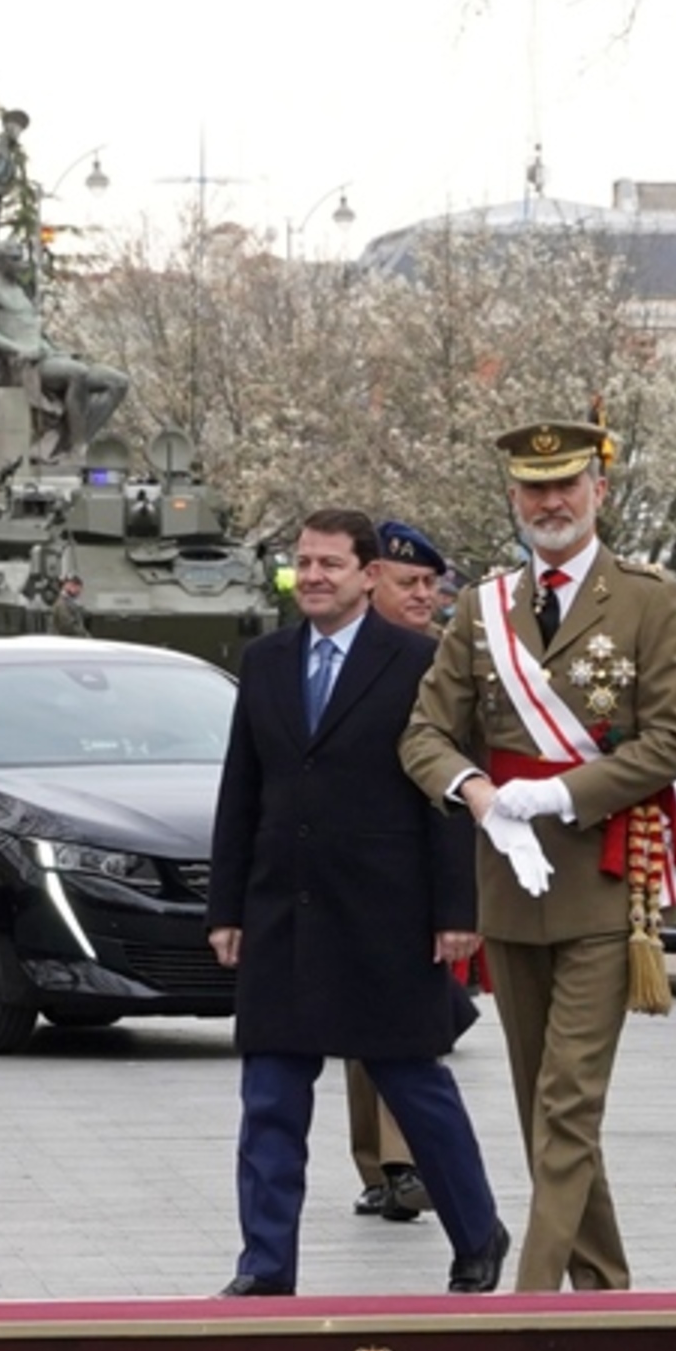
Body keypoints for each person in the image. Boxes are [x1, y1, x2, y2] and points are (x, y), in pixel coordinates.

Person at [401, 419, 676, 1292]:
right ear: (513, 498)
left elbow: (673, 740)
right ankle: (607, 1302)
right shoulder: (480, 607)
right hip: (509, 881)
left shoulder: (648, 598)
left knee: (568, 1103)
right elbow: (425, 731)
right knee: (547, 1110)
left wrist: (560, 793)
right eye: (534, 489)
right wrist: (479, 793)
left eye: (566, 485)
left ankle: (528, 1309)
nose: (551, 502)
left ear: (597, 491)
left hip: (609, 882)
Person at [207, 506, 509, 1298]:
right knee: (269, 1099)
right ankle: (265, 1268)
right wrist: (226, 908)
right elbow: (242, 790)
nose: (311, 576)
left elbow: (448, 788)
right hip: (281, 917)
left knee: (415, 1086)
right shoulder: (266, 660)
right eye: (302, 563)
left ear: (367, 575)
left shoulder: (418, 661)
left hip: (385, 917)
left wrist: (457, 909)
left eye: (329, 564)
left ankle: (477, 1232)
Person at [346, 518, 471, 1224]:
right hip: (357, 863)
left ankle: (401, 1163)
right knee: (371, 1017)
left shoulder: (442, 659)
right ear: (372, 581)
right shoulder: (344, 656)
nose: (425, 594)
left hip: (418, 861)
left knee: (402, 1019)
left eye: (432, 582)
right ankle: (383, 1164)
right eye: (410, 582)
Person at [0, 242, 128, 456]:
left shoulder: (21, 292)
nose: (21, 264)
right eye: (14, 259)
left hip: (49, 357)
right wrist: (15, 349)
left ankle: (73, 440)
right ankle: (79, 448)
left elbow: (32, 332)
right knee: (77, 373)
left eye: (20, 258)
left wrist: (59, 350)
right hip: (28, 367)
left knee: (117, 382)